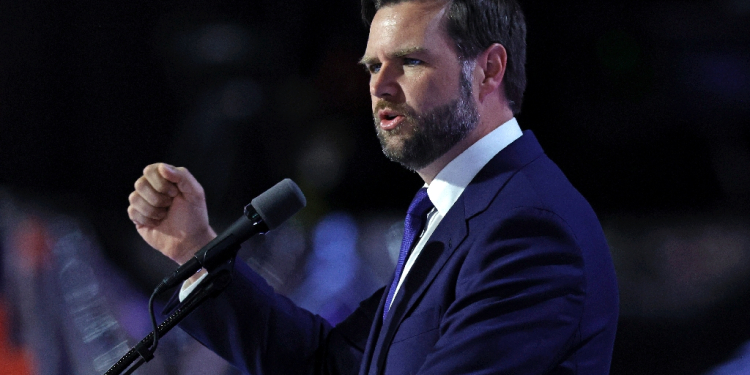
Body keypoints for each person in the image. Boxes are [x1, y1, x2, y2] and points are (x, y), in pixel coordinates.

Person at [127, 0, 619, 374]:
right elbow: (330, 363)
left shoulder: (527, 227)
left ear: (488, 69)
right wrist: (193, 247)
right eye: (372, 66)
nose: (379, 86)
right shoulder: (457, 213)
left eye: (410, 62)